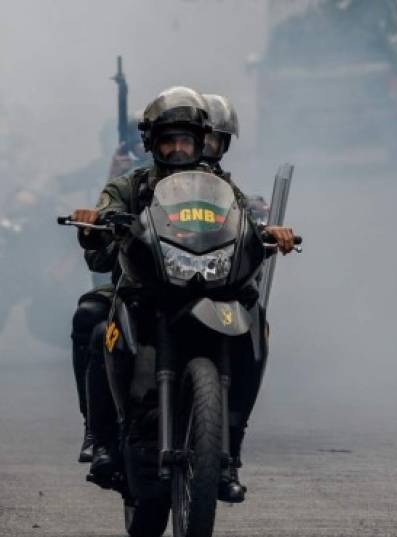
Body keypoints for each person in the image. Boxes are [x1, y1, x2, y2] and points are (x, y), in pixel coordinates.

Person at [70, 86, 295, 502]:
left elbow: (245, 223)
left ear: (199, 143)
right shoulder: (130, 185)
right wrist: (93, 224)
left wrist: (269, 232)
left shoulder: (221, 187)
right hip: (145, 290)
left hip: (208, 287)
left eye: (185, 140)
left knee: (255, 323)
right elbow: (101, 249)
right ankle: (99, 438)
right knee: (97, 322)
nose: (177, 148)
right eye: (168, 140)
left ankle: (229, 452)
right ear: (152, 144)